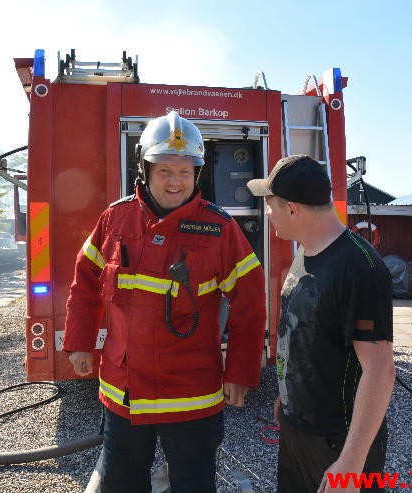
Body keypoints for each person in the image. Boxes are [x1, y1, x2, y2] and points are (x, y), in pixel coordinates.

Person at [63, 111, 266, 493]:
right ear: (145, 169)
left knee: (192, 485)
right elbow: (85, 282)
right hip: (124, 392)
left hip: (190, 394)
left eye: (186, 171)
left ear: (197, 175)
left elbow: (251, 304)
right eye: (165, 171)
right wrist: (79, 342)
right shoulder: (115, 219)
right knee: (120, 483)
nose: (176, 181)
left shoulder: (220, 229)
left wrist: (240, 372)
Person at [247, 155, 395, 493]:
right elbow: (303, 333)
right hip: (297, 429)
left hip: (337, 441)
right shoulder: (306, 251)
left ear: (293, 209)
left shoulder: (360, 267)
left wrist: (352, 463)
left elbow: (380, 370)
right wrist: (288, 396)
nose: (267, 214)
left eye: (270, 206)